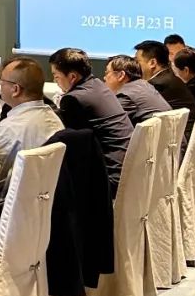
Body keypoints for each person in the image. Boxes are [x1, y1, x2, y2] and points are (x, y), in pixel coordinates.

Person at [49, 48, 134, 196]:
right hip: (128, 168)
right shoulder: (98, 85)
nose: (55, 81)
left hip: (110, 177)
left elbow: (73, 144)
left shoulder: (73, 99)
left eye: (56, 76)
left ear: (72, 77)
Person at [0, 57, 64, 180]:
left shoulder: (8, 128)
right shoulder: (53, 118)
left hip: (7, 192)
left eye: (1, 81)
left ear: (15, 90)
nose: (0, 86)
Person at [135, 40, 195, 143]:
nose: (134, 66)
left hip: (180, 140)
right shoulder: (169, 76)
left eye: (137, 61)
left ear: (152, 63)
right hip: (190, 135)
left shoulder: (156, 84)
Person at [103, 54, 172, 125]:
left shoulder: (125, 95)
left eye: (107, 73)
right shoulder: (146, 86)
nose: (104, 78)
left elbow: (107, 122)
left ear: (121, 75)